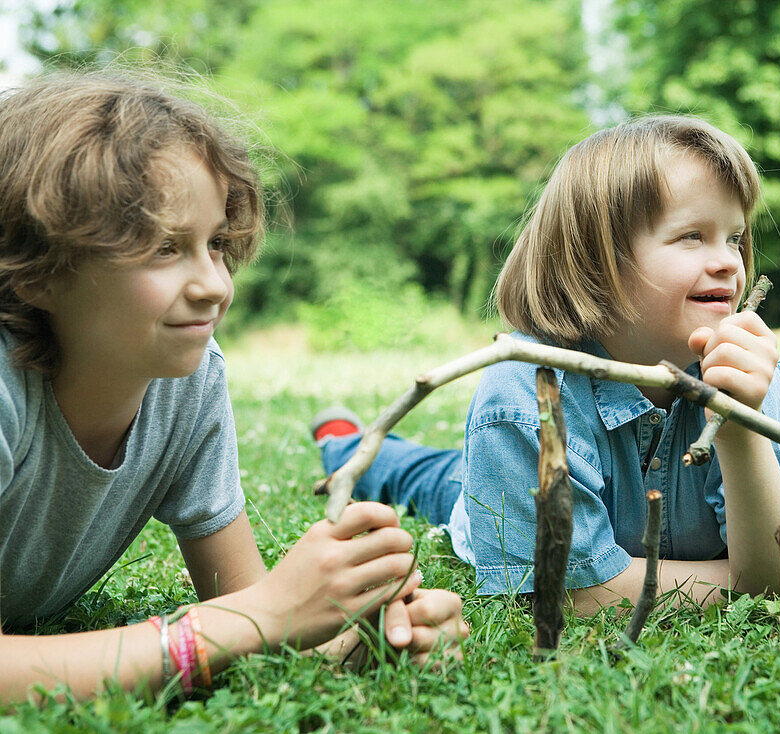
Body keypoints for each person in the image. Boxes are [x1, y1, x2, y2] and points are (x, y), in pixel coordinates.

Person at [0, 71, 467, 705]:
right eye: (164, 247)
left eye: (216, 242)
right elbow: (250, 620)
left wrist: (367, 634)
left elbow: (252, 612)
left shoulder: (187, 382)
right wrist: (244, 623)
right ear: (37, 273)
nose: (215, 285)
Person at [315, 115, 780, 615]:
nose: (728, 263)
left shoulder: (749, 367)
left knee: (447, 474)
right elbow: (579, 598)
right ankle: (342, 443)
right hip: (498, 483)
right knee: (435, 481)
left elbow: (776, 569)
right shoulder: (524, 396)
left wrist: (740, 426)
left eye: (734, 238)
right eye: (692, 236)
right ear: (597, 261)